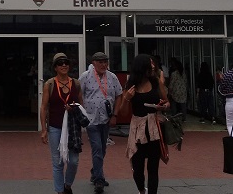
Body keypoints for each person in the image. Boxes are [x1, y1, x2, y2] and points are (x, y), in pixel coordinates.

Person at [121, 53, 169, 194]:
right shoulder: (130, 85)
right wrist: (126, 98)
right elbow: (123, 113)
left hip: (154, 127)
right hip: (138, 129)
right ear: (142, 67)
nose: (153, 66)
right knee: (137, 167)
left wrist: (163, 106)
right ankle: (142, 190)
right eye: (150, 63)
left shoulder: (155, 82)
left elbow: (166, 101)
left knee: (153, 167)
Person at [79, 51, 122, 194]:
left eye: (105, 62)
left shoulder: (112, 77)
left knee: (102, 148)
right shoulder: (85, 77)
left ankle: (95, 171)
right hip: (91, 119)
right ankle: (99, 180)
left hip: (106, 118)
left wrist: (115, 114)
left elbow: (119, 95)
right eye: (101, 62)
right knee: (97, 147)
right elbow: (79, 94)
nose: (104, 64)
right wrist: (82, 112)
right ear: (93, 63)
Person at [41, 52, 83, 194]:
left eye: (66, 62)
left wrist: (75, 108)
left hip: (72, 128)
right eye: (60, 63)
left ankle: (68, 185)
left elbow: (81, 105)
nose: (64, 65)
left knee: (73, 161)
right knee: (58, 162)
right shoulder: (50, 84)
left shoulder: (76, 83)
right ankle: (60, 190)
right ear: (55, 67)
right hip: (55, 127)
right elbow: (44, 107)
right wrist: (44, 129)